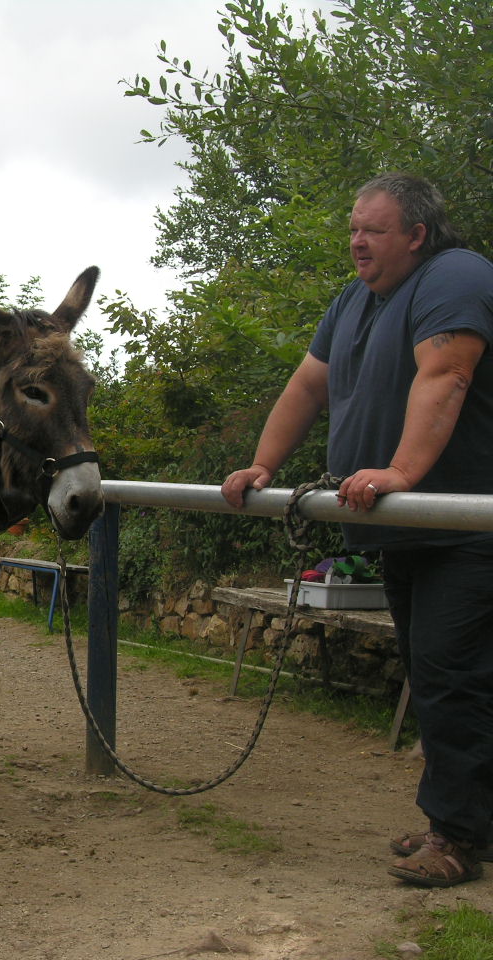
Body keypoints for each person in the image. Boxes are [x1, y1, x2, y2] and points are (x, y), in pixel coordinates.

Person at [221, 172, 493, 889]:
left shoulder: (456, 277)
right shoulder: (353, 302)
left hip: (466, 528)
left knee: (450, 677)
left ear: (416, 236)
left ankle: (459, 836)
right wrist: (261, 466)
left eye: (372, 230)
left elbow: (449, 373)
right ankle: (464, 818)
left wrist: (400, 472)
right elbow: (309, 386)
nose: (356, 242)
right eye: (352, 228)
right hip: (411, 533)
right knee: (440, 676)